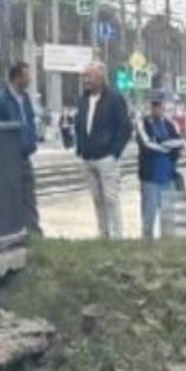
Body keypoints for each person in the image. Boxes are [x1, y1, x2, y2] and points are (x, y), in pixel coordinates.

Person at [74, 61, 130, 239]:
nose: (86, 81)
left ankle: (117, 235)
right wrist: (80, 149)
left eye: (89, 76)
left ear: (100, 77)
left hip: (107, 158)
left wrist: (115, 152)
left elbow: (126, 127)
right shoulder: (83, 99)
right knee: (97, 199)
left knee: (110, 198)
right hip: (87, 157)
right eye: (84, 77)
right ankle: (103, 233)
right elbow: (80, 124)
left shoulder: (114, 99)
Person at [0, 60, 41, 235]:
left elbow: (29, 121)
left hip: (24, 155)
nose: (30, 79)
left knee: (29, 196)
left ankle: (33, 232)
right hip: (7, 157)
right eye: (27, 75)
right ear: (17, 77)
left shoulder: (25, 99)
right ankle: (9, 231)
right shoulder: (0, 101)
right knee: (10, 196)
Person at [135, 92, 182, 240]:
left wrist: (165, 146)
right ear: (150, 106)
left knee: (169, 214)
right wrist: (166, 147)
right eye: (154, 105)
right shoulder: (143, 123)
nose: (157, 108)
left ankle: (168, 242)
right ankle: (147, 241)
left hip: (168, 175)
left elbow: (180, 143)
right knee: (149, 213)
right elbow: (146, 144)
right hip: (150, 176)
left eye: (159, 105)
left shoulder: (170, 124)